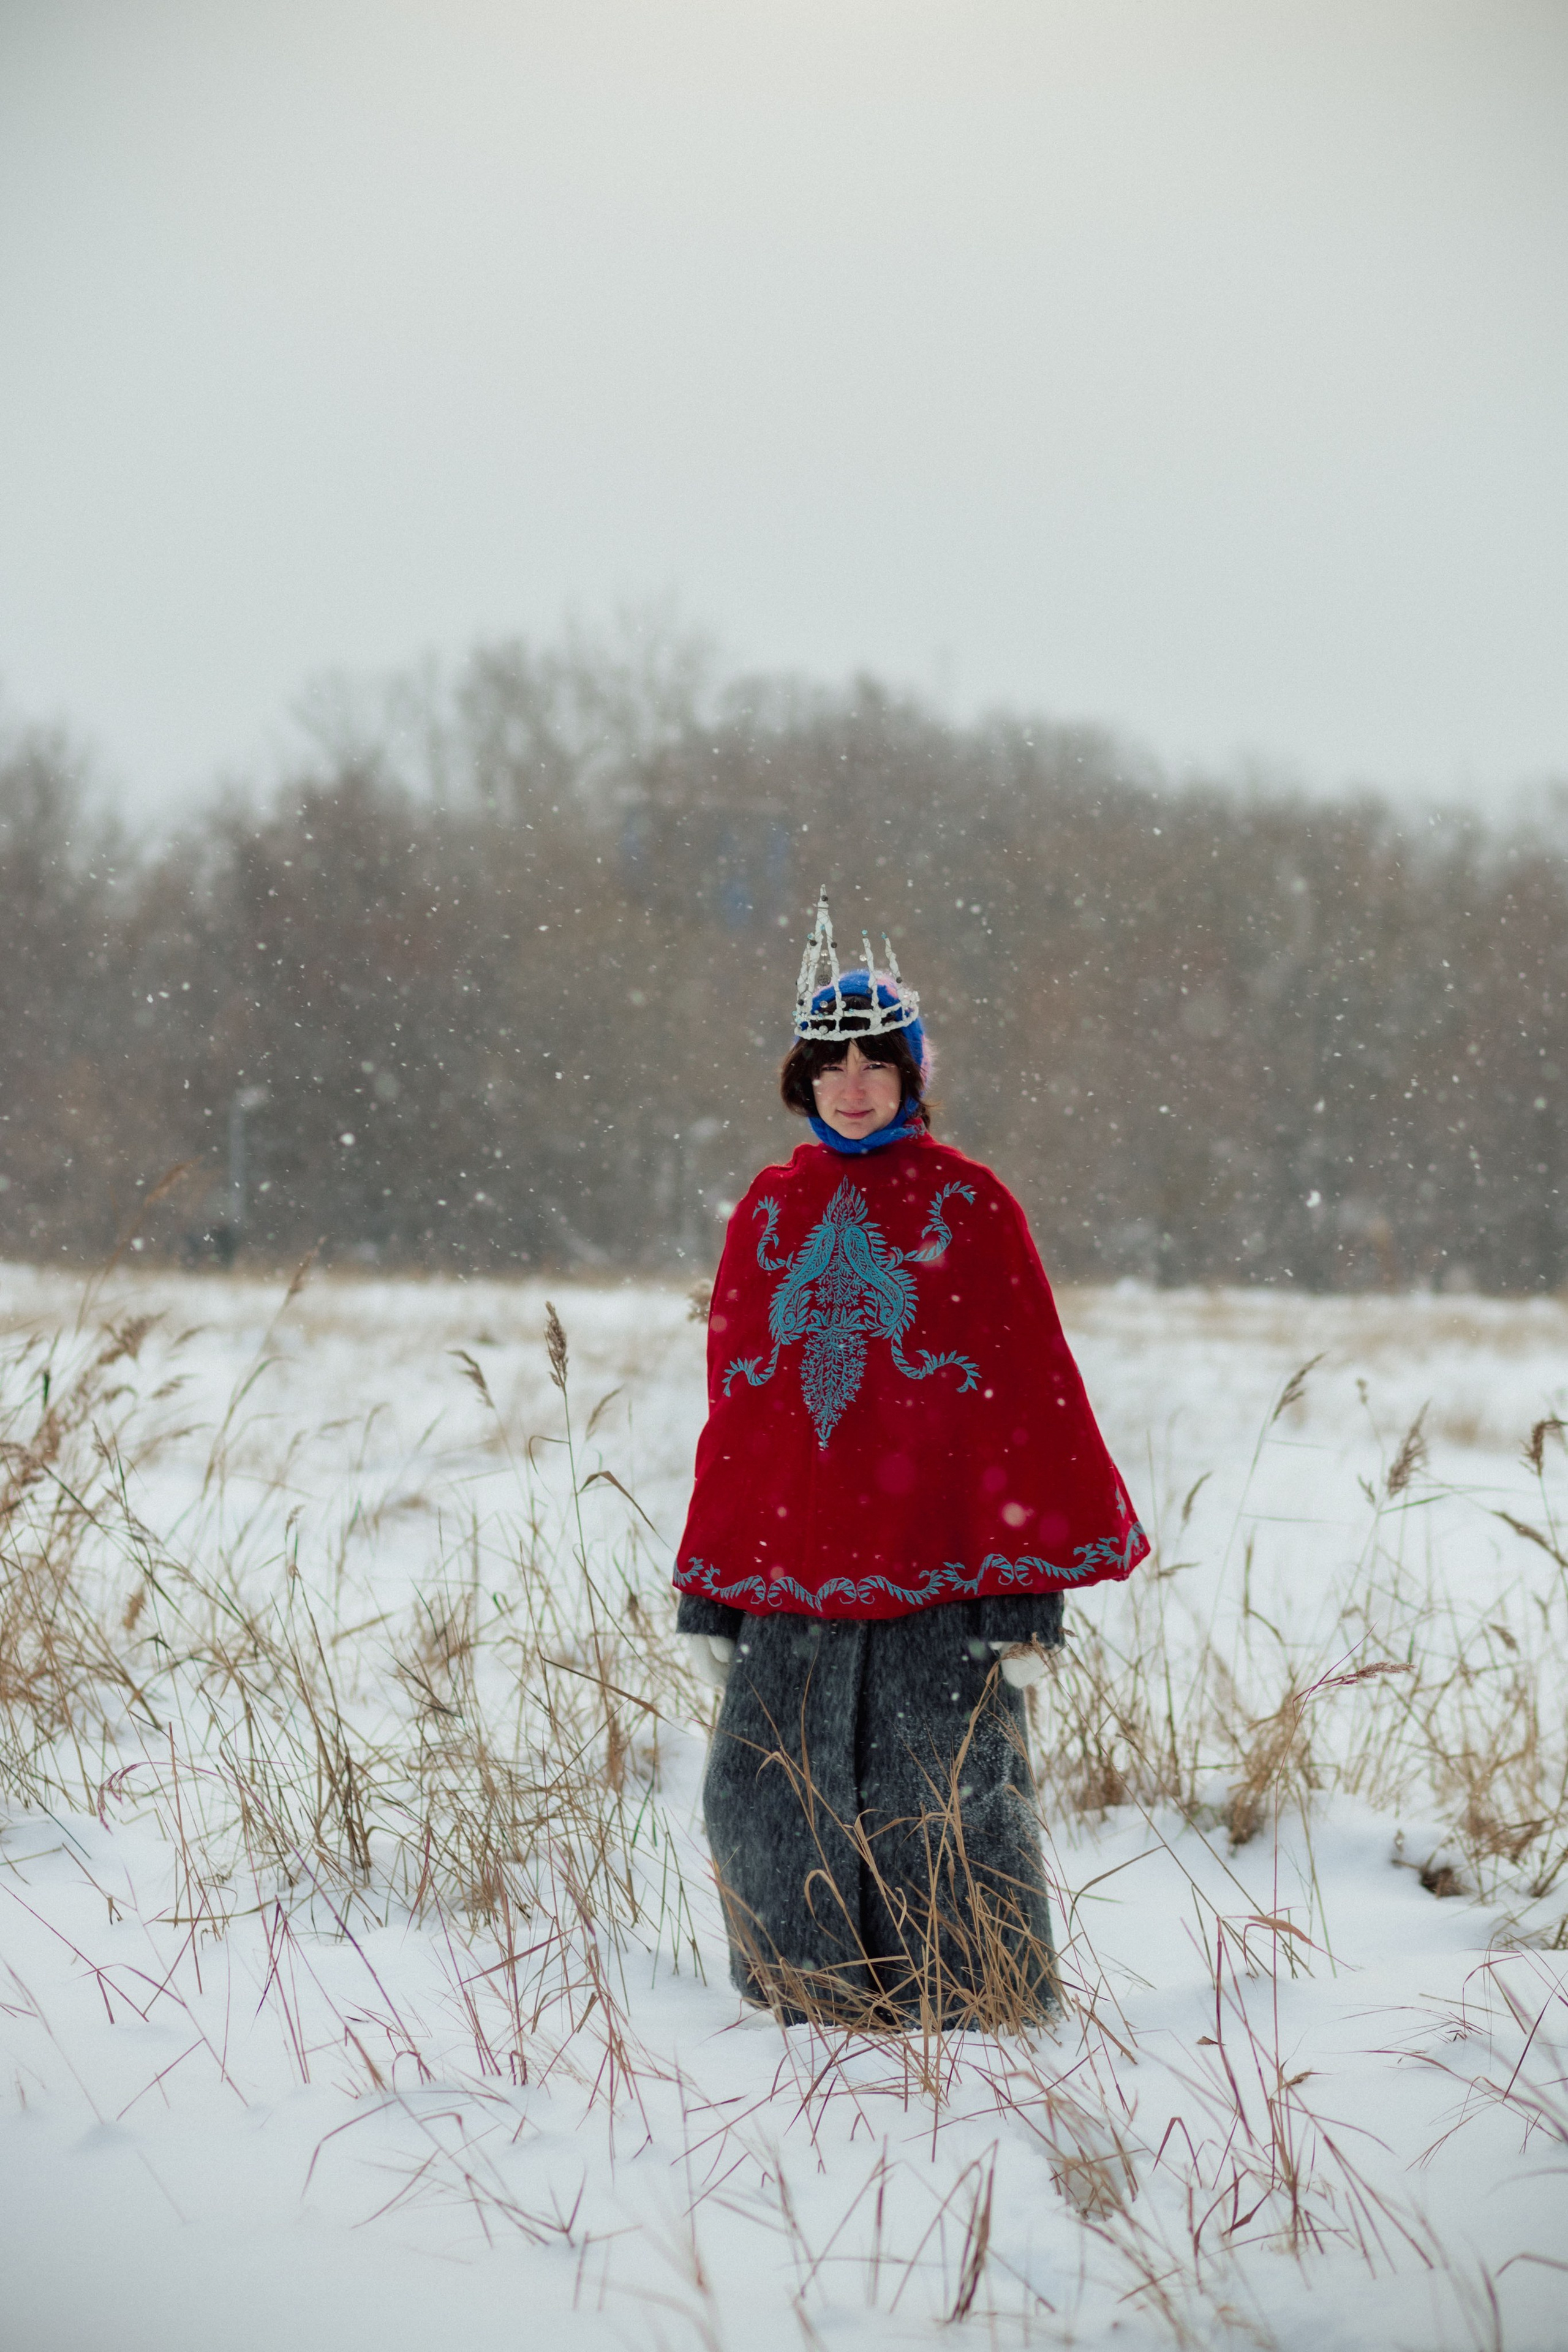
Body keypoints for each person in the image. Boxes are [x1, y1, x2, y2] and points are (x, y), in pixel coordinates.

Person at [674, 889, 1148, 2030]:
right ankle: (809, 2003)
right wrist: (714, 1593)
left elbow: (1027, 1402)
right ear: (803, 1080)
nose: (853, 1086)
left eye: (876, 1065)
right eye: (831, 1067)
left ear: (910, 1076)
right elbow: (740, 1416)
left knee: (939, 1801)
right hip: (789, 1580)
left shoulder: (970, 1206)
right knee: (768, 1801)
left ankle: (971, 2003)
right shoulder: (769, 1212)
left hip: (942, 1576)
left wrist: (1028, 1593)